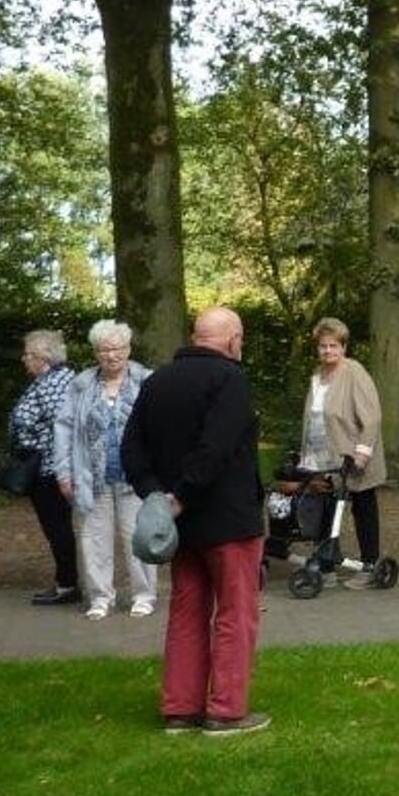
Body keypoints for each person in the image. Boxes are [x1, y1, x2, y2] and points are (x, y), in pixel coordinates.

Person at [121, 307, 268, 736]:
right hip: (228, 520)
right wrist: (181, 495)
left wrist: (158, 498)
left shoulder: (156, 382)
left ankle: (180, 708)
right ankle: (225, 711)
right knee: (236, 614)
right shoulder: (230, 380)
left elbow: (131, 450)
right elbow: (216, 448)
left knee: (187, 610)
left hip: (179, 528)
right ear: (232, 340)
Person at [53, 319, 156, 621]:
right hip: (90, 477)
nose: (111, 355)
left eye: (117, 348)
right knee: (94, 540)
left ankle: (144, 594)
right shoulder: (81, 385)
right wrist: (63, 473)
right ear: (96, 353)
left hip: (135, 477)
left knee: (139, 537)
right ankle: (100, 597)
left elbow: (162, 428)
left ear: (128, 349)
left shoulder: (147, 381)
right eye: (104, 350)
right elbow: (63, 429)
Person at [301, 317, 388, 587]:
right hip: (324, 458)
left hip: (353, 457)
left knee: (363, 510)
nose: (328, 351)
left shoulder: (354, 372)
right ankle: (326, 565)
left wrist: (361, 454)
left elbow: (371, 417)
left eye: (333, 346)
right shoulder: (317, 375)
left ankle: (370, 565)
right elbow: (313, 417)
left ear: (344, 347)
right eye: (323, 346)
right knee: (326, 510)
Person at [13, 330, 79, 606]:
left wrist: (60, 468)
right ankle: (67, 580)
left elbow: (62, 427)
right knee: (55, 527)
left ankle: (68, 584)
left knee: (57, 527)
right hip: (44, 466)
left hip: (51, 468)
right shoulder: (46, 381)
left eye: (28, 354)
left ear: (43, 357)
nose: (24, 359)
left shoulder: (56, 383)